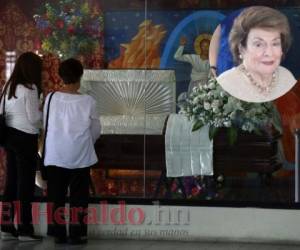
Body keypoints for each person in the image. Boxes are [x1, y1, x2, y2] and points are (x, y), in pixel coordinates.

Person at [43, 58, 101, 245]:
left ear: (61, 76)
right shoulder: (88, 101)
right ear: (80, 76)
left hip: (55, 153)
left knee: (56, 195)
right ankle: (77, 234)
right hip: (79, 154)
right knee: (79, 196)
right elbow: (96, 130)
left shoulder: (50, 98)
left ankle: (58, 233)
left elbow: (45, 126)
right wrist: (85, 142)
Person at [0, 52, 43, 241]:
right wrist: (44, 114)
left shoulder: (8, 86)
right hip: (25, 138)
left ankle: (6, 226)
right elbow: (34, 119)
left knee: (11, 182)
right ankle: (25, 229)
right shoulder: (30, 88)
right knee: (25, 184)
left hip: (9, 136)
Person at [216, 6, 297, 103]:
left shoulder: (287, 77)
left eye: (275, 43)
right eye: (258, 44)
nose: (269, 53)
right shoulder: (226, 84)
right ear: (241, 49)